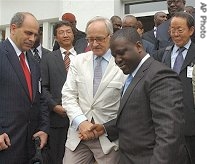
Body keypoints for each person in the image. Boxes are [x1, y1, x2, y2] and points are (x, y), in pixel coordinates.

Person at [83, 27, 190, 164]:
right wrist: (105, 128)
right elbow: (137, 116)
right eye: (114, 56)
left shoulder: (160, 76)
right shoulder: (133, 76)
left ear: (138, 46)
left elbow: (169, 134)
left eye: (121, 53)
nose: (117, 60)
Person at [62, 16, 125, 164]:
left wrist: (106, 128)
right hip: (79, 134)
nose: (94, 44)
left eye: (99, 39)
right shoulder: (78, 61)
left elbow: (127, 103)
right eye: (90, 39)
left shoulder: (122, 63)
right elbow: (68, 95)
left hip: (107, 138)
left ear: (110, 37)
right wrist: (81, 122)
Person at [0, 12, 49, 164]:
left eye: (35, 35)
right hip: (5, 142)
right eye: (28, 33)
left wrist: (44, 128)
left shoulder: (34, 61)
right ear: (13, 28)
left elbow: (39, 99)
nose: (32, 39)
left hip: (29, 145)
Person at [157, 12, 195, 164]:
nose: (175, 34)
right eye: (172, 30)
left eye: (180, 30)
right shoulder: (162, 54)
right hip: (167, 123)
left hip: (193, 122)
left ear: (191, 30)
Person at [40, 21, 77, 164]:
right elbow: (43, 87)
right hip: (58, 119)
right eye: (61, 32)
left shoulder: (83, 57)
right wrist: (54, 106)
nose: (65, 35)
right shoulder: (48, 58)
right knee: (57, 158)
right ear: (56, 37)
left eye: (68, 31)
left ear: (73, 34)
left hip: (80, 119)